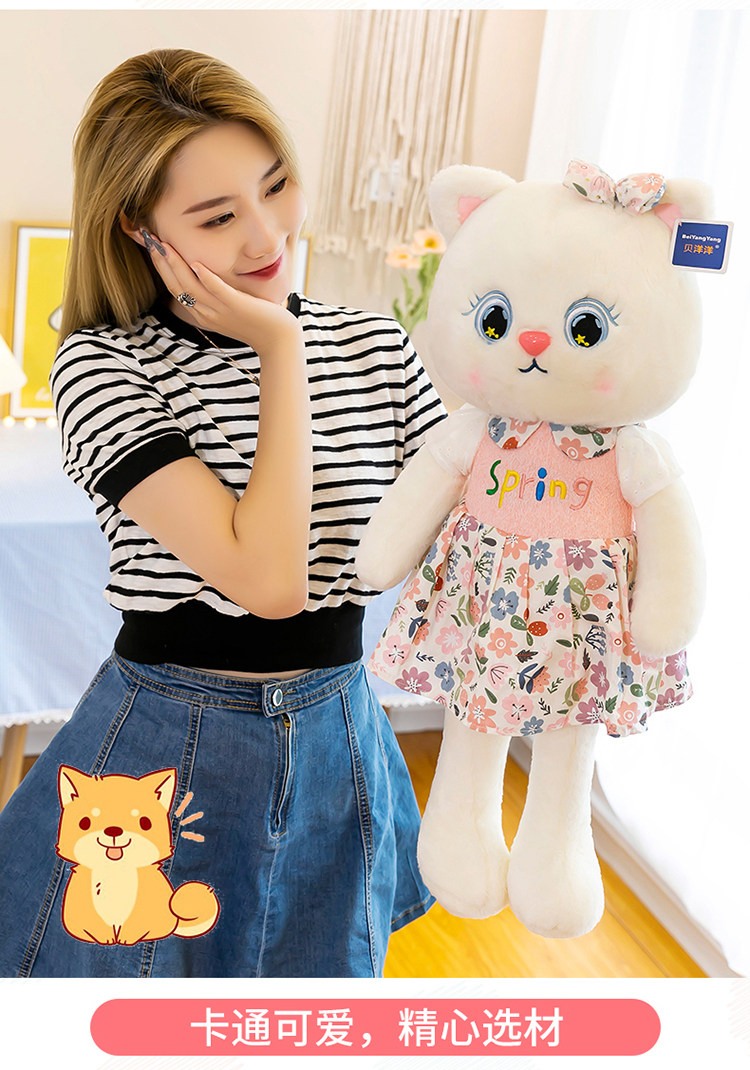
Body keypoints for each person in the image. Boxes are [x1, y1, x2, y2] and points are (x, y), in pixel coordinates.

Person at [0, 48, 445, 978]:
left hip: (338, 728)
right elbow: (269, 584)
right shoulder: (103, 365)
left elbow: (462, 534)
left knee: (303, 1018)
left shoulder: (376, 344)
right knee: (124, 1017)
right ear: (140, 230)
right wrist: (280, 348)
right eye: (216, 217)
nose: (266, 236)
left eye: (275, 186)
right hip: (166, 740)